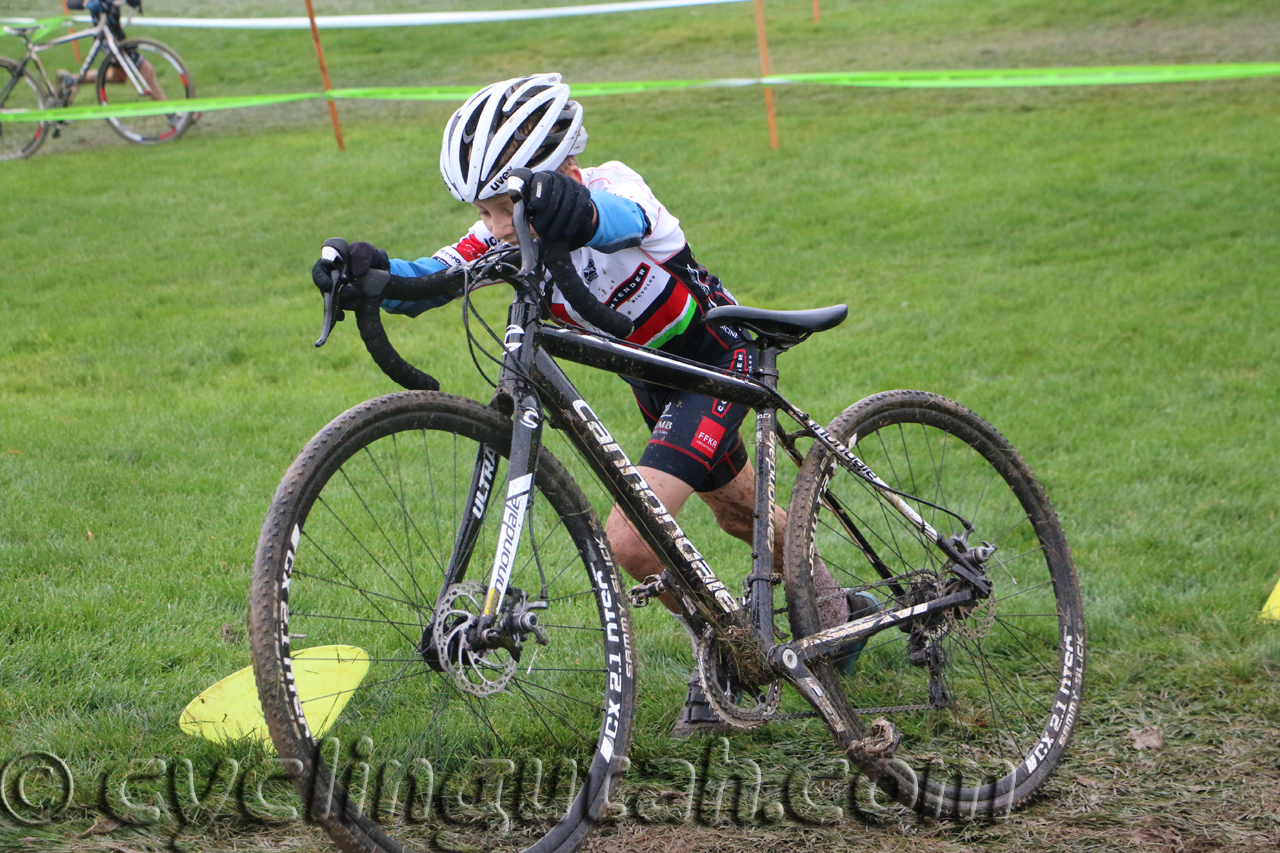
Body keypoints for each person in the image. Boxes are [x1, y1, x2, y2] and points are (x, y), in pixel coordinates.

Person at [312, 73, 860, 736]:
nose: (493, 227)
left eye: (503, 207)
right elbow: (429, 279)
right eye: (484, 210)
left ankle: (732, 654)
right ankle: (836, 614)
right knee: (735, 510)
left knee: (631, 540)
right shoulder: (504, 230)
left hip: (714, 360)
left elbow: (615, 222)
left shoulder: (614, 187)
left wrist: (573, 211)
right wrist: (365, 270)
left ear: (565, 171)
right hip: (652, 378)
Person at [57, 0, 165, 101]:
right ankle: (172, 115)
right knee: (145, 68)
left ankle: (71, 80)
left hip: (117, 35)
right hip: (108, 38)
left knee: (119, 76)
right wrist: (87, 3)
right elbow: (71, 2)